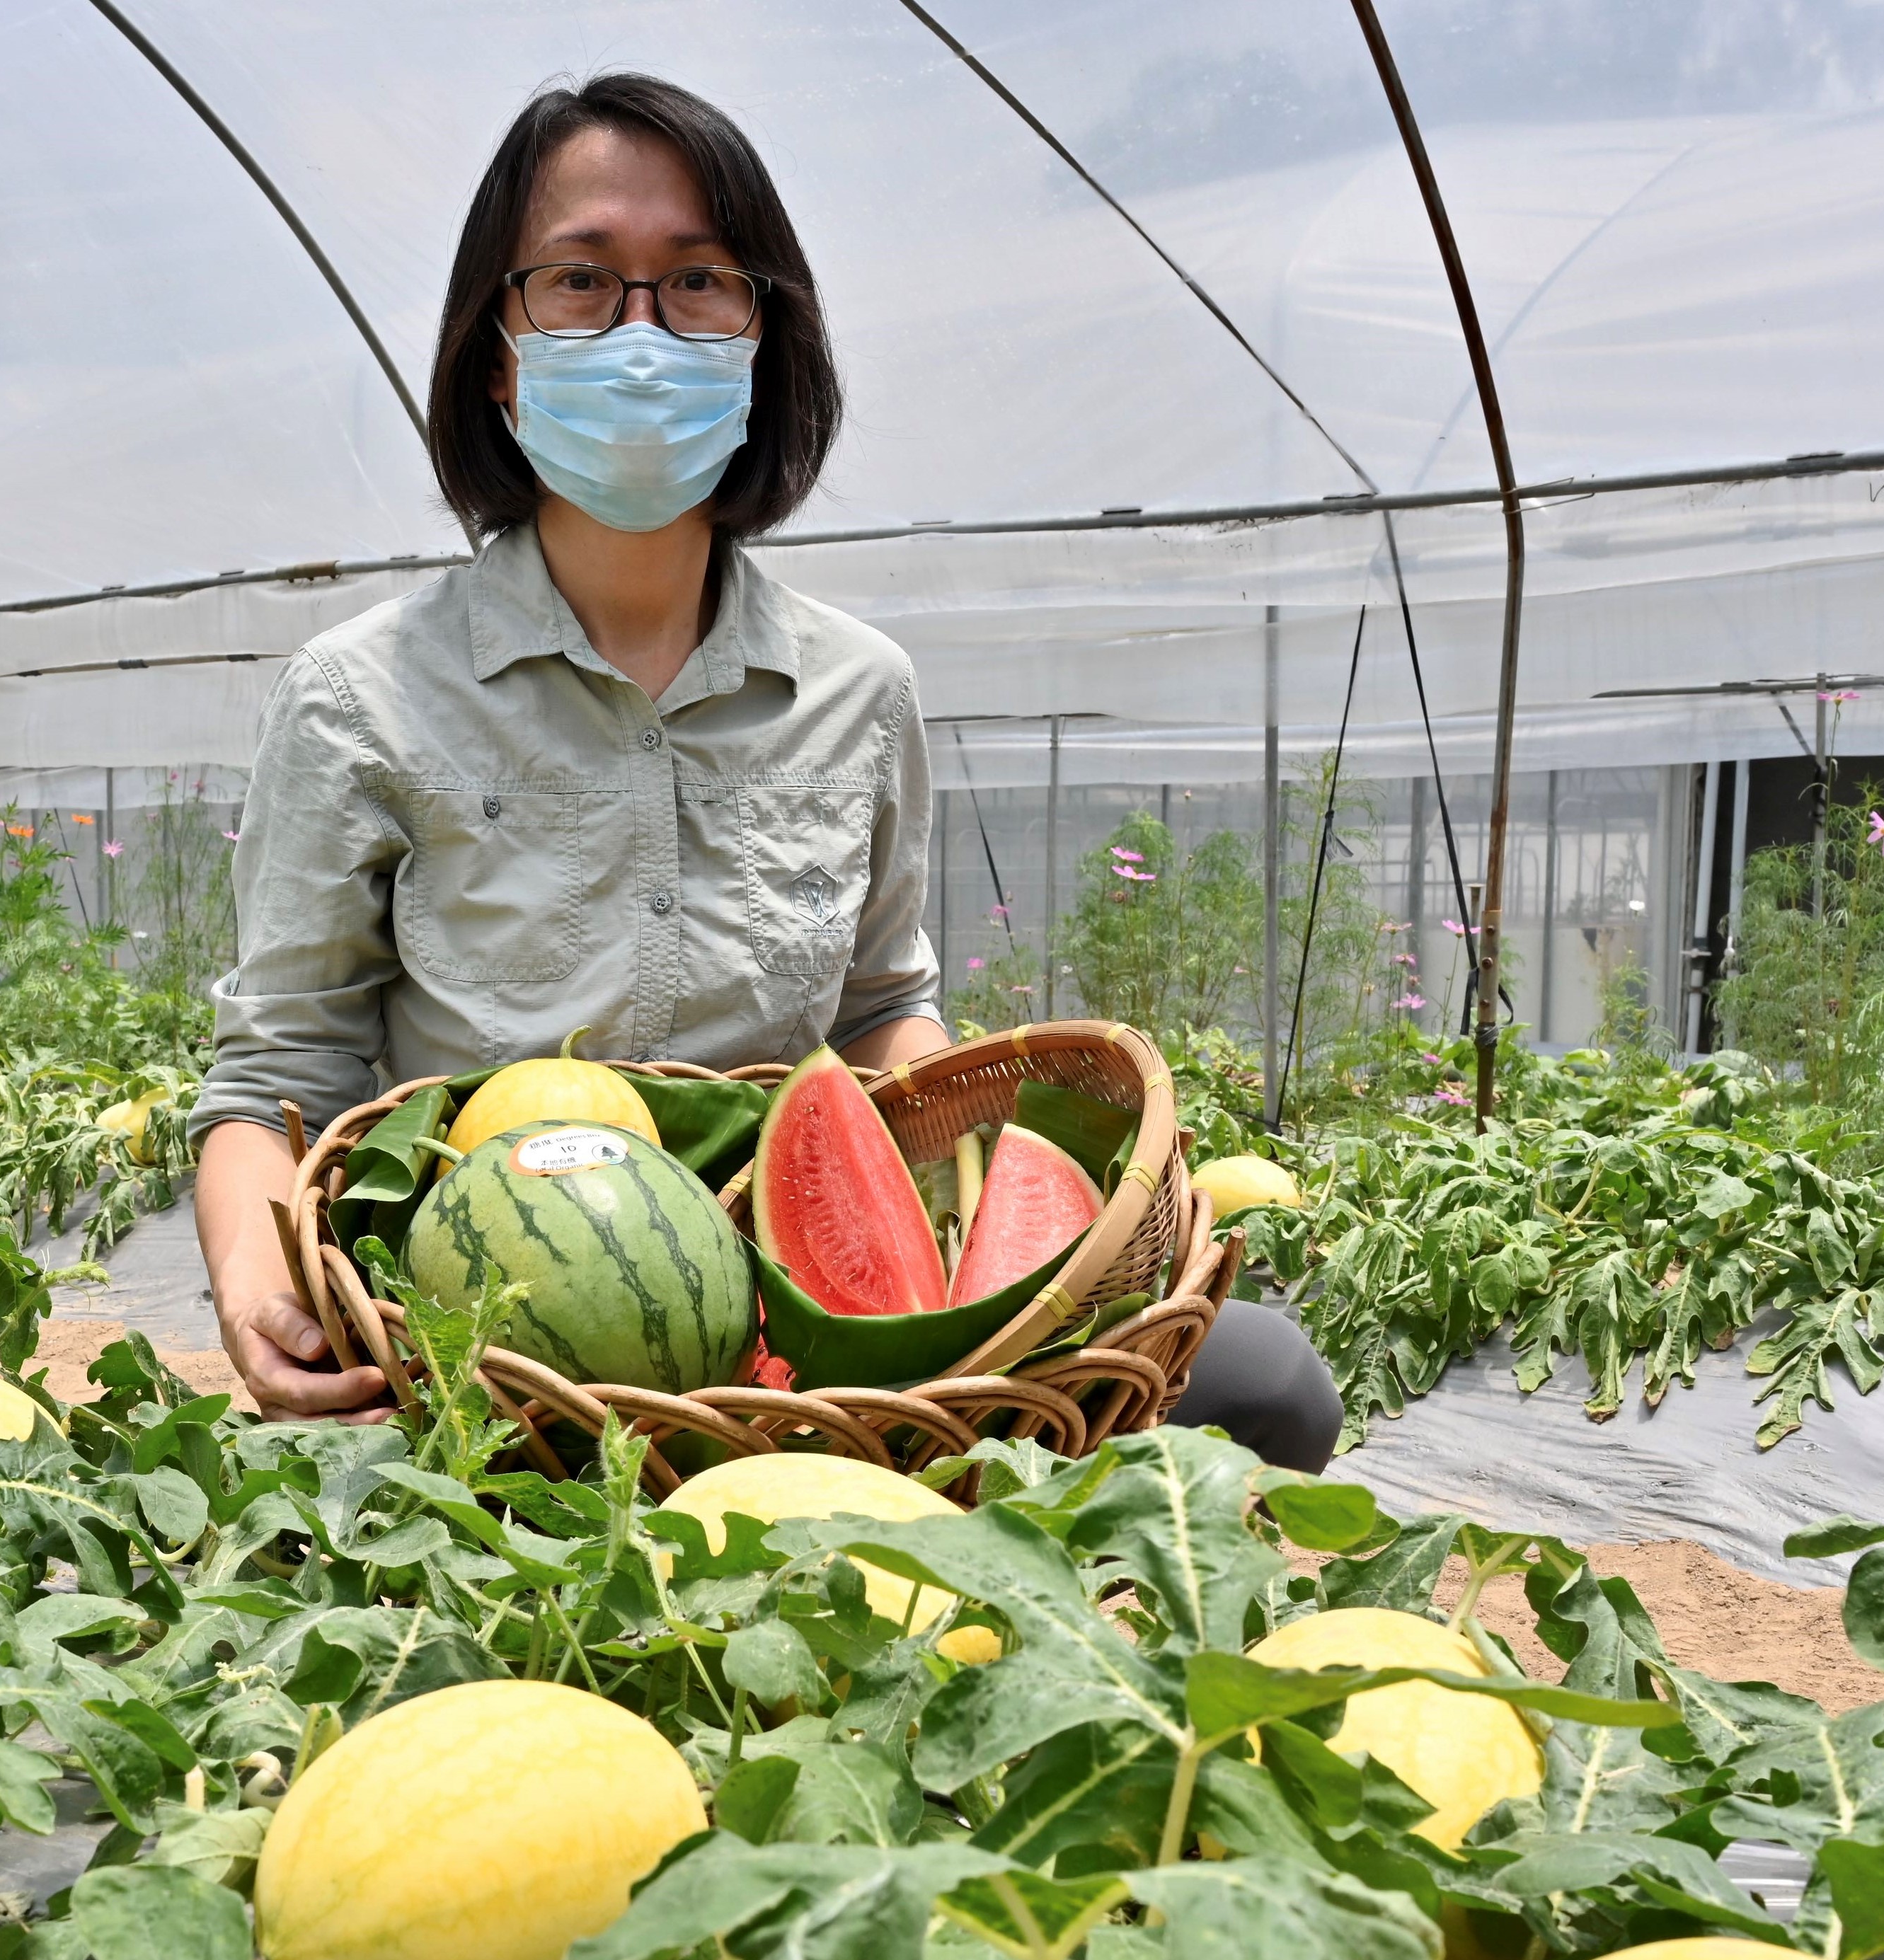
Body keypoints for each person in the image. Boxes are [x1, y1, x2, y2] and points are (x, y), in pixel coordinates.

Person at [190, 71, 1339, 1472]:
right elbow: (274, 1076)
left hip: (797, 1326)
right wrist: (261, 1291)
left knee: (1268, 1384)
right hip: (490, 1330)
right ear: (497, 350)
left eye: (697, 284)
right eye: (578, 281)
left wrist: (1001, 1174)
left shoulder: (857, 689)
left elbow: (881, 1005)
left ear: (758, 337)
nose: (640, 332)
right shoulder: (360, 695)